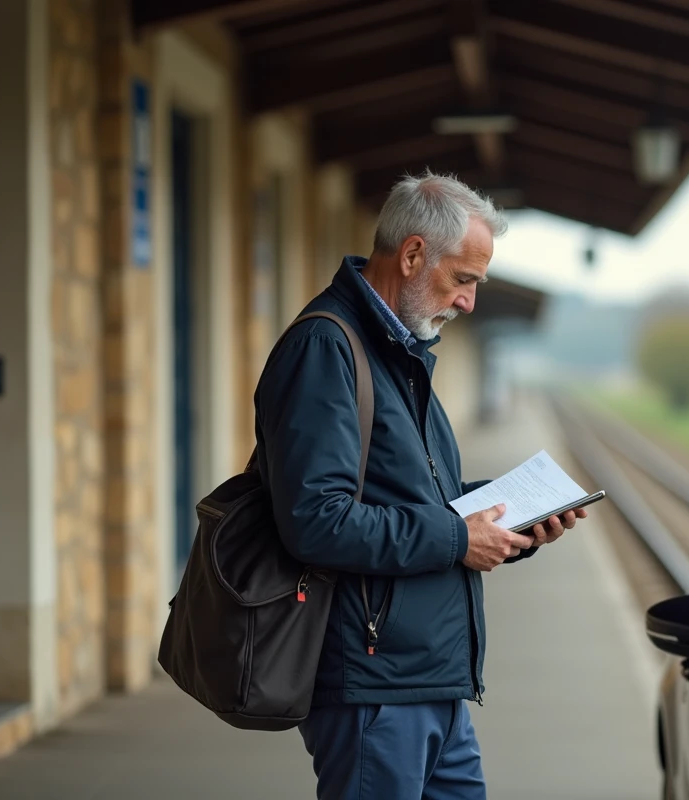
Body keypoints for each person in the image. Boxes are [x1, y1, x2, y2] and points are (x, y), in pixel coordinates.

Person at [253, 170, 588, 800]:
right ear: (412, 255)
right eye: (463, 279)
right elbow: (316, 519)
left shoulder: (400, 352)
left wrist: (513, 517)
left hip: (429, 679)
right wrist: (457, 540)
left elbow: (424, 498)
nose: (469, 302)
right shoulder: (327, 347)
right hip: (373, 686)